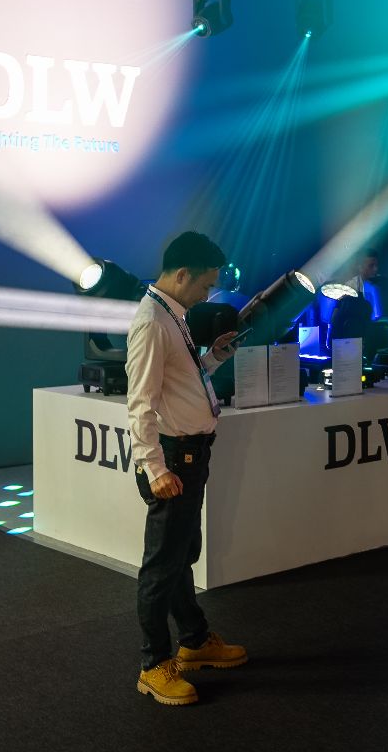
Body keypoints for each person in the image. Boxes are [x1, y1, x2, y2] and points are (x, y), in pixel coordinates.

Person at [128, 231, 247, 706]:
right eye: (204, 285)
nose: (207, 294)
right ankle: (153, 665)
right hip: (174, 458)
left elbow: (180, 380)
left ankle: (194, 641)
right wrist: (155, 468)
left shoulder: (170, 314)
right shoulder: (152, 322)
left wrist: (213, 357)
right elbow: (140, 403)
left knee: (180, 556)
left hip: (189, 455)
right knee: (162, 566)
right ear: (182, 275)